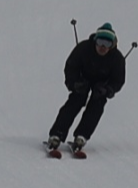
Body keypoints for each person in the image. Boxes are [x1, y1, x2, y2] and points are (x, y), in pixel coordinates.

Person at [46, 23, 125, 153]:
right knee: (75, 101)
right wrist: (74, 84)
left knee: (97, 105)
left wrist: (108, 90)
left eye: (107, 43)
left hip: (101, 85)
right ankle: (56, 134)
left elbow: (118, 80)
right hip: (82, 80)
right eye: (100, 42)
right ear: (95, 41)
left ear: (112, 45)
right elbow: (71, 67)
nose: (102, 47)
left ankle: (81, 136)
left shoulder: (117, 58)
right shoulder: (83, 48)